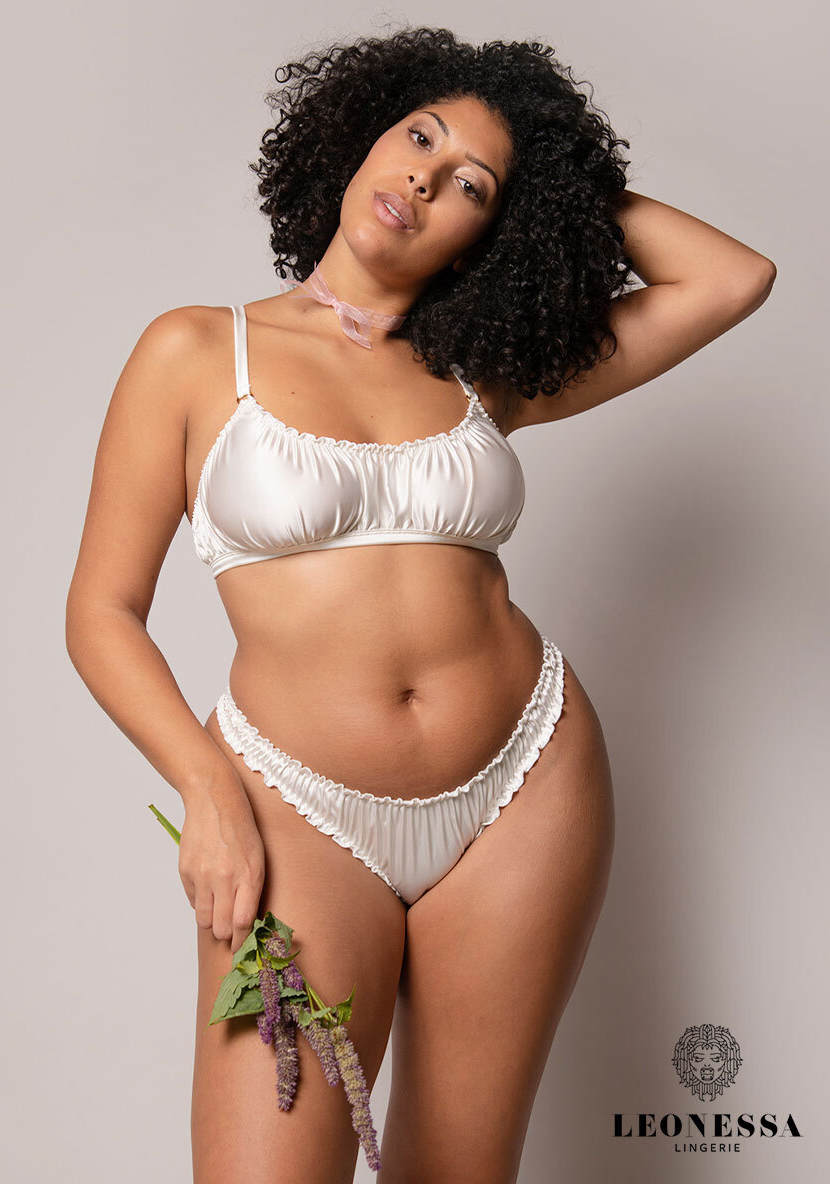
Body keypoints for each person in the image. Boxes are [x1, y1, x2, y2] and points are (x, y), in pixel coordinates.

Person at [65, 26, 776, 1184]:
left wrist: (550, 183)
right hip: (291, 803)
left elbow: (729, 278)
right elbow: (101, 608)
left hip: (524, 786)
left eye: (469, 186)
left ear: (492, 231)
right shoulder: (195, 351)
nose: (423, 179)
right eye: (417, 137)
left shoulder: (485, 370)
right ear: (359, 135)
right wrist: (207, 789)